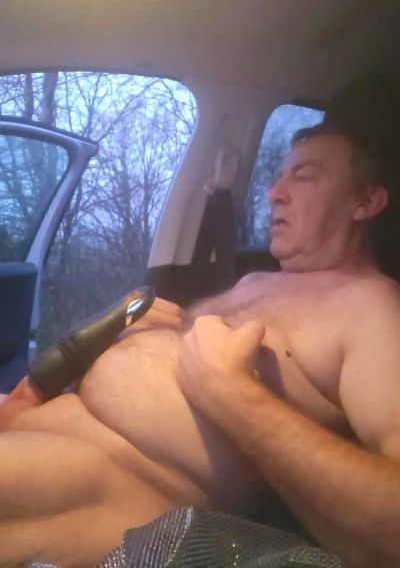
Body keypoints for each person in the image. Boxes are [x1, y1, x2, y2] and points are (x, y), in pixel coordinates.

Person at [1, 122, 400, 567]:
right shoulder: (255, 282)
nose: (275, 193)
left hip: (97, 483)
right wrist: (116, 330)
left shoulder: (372, 307)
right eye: (279, 177)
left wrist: (233, 397)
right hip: (27, 418)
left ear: (366, 202)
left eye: (304, 176)